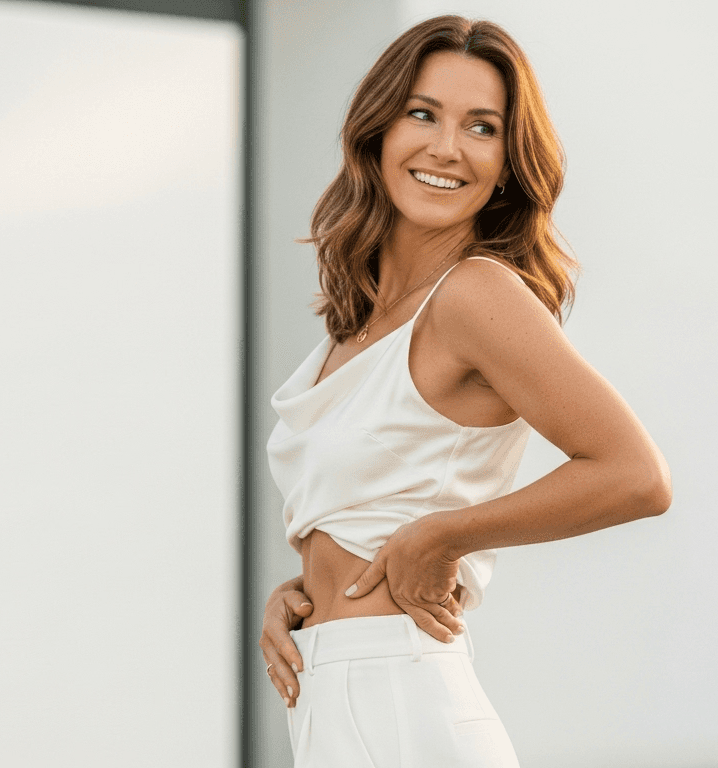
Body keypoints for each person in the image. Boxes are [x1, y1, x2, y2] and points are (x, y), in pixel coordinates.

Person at [260, 14, 671, 766]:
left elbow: (635, 476)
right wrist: (305, 594)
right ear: (378, 131)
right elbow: (371, 507)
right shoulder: (359, 324)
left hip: (403, 699)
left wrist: (445, 534)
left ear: (508, 161)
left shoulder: (476, 295)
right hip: (337, 696)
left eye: (481, 127)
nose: (446, 147)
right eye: (423, 114)